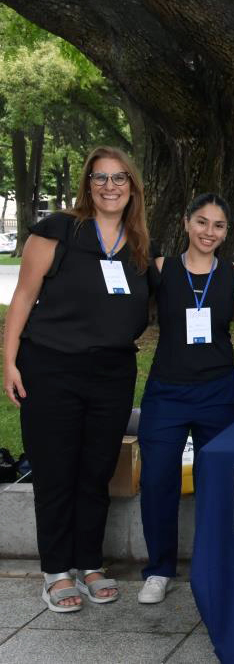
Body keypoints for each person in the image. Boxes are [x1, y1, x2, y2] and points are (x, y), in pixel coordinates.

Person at [3, 147, 152, 612]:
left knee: (95, 471)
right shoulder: (58, 231)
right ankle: (56, 571)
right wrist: (9, 362)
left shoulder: (138, 243)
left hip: (112, 373)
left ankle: (89, 564)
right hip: (51, 368)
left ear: (132, 186)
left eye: (119, 178)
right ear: (87, 184)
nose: (110, 186)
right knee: (55, 471)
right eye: (100, 178)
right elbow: (22, 298)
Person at [137, 193, 234, 605]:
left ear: (227, 231)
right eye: (202, 222)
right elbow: (127, 312)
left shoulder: (232, 274)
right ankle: (159, 569)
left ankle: (216, 564)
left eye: (219, 226)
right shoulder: (162, 269)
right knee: (157, 480)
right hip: (166, 393)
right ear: (186, 222)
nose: (209, 232)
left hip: (218, 392)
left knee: (218, 481)